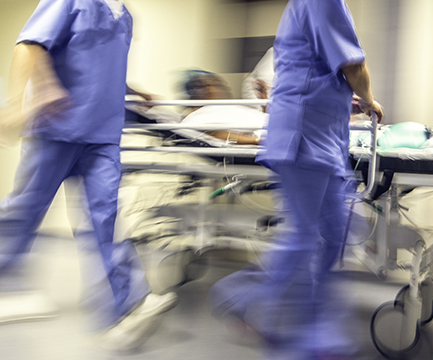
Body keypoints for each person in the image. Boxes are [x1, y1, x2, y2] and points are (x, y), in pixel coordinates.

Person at [0, 0, 177, 351]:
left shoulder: (124, 14)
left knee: (107, 220)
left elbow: (99, 68)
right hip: (57, 129)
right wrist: (23, 100)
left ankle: (126, 309)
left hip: (103, 136)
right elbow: (29, 44)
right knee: (23, 213)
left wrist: (132, 92)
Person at [210, 0, 383, 359]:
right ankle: (264, 310)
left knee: (335, 234)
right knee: (304, 236)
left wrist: (344, 99)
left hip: (323, 136)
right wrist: (368, 98)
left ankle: (314, 326)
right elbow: (353, 65)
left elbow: (314, 70)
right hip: (303, 136)